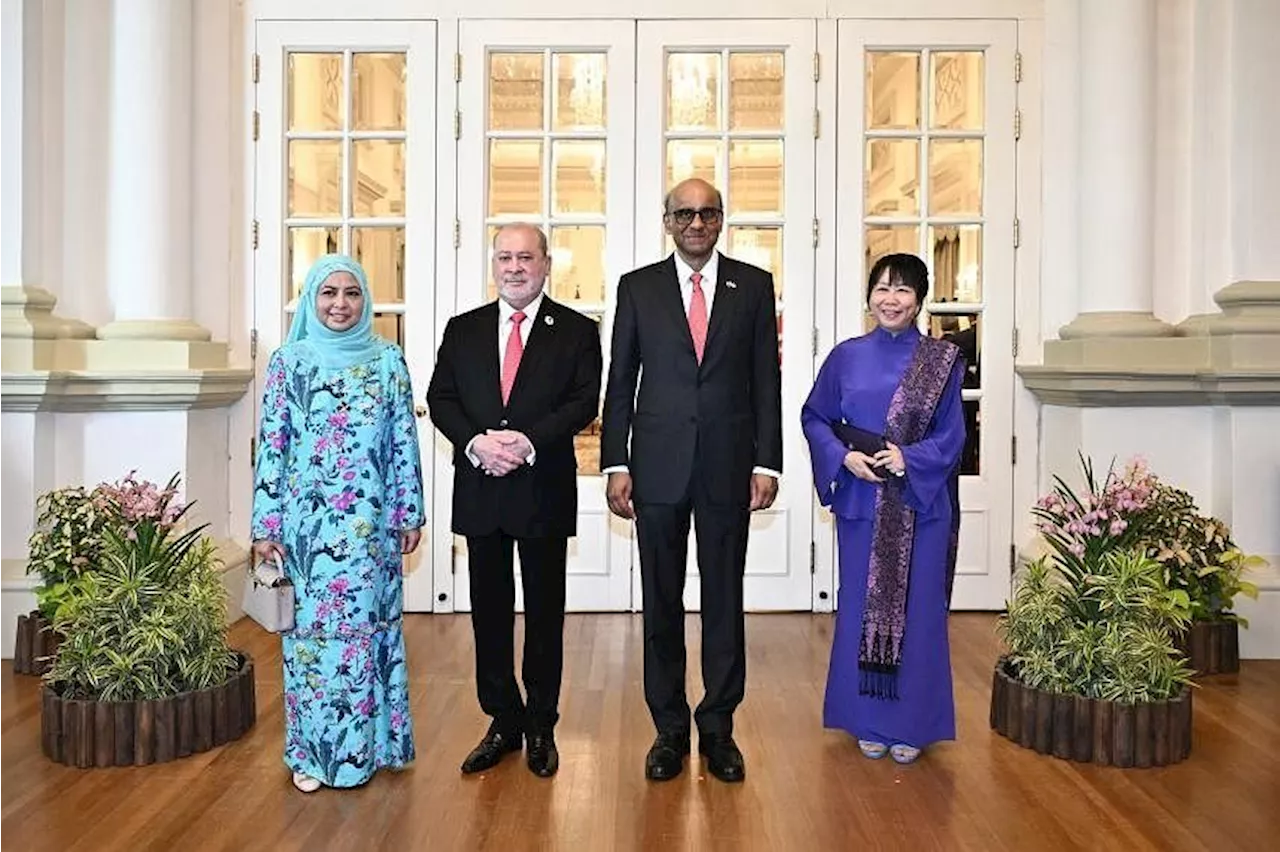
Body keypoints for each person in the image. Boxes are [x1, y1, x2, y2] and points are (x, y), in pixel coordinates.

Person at [600, 178, 782, 783]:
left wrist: (767, 461)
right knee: (661, 602)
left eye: (707, 213)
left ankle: (719, 729)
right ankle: (669, 730)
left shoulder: (753, 286)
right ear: (668, 220)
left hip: (730, 467)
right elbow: (620, 379)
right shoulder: (638, 288)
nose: (696, 223)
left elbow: (766, 381)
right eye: (685, 213)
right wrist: (615, 462)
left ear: (721, 220)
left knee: (725, 601)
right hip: (656, 466)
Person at [426, 223, 602, 778]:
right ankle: (503, 720)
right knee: (490, 613)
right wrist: (478, 442)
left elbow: (583, 400)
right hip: (481, 487)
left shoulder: (576, 330)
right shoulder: (463, 329)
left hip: (542, 488)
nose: (515, 267)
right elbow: (441, 397)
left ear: (547, 264)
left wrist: (526, 442)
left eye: (526, 257)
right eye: (505, 257)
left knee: (545, 614)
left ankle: (541, 725)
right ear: (493, 264)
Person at [250, 254, 425, 792]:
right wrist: (265, 525)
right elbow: (271, 449)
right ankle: (311, 755)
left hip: (370, 532)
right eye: (329, 293)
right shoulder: (288, 363)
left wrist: (408, 512)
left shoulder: (388, 361)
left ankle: (367, 751)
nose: (341, 304)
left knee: (365, 639)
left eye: (352, 293)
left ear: (365, 299)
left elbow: (403, 441)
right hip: (307, 533)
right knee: (310, 643)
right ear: (311, 300)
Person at [800, 252, 965, 765]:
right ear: (868, 295)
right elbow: (815, 417)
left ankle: (913, 725)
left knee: (918, 615)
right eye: (882, 288)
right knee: (859, 611)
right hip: (862, 504)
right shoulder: (845, 357)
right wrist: (842, 457)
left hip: (919, 506)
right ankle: (867, 719)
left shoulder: (941, 362)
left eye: (903, 290)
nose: (891, 299)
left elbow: (953, 434)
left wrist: (907, 458)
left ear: (919, 300)